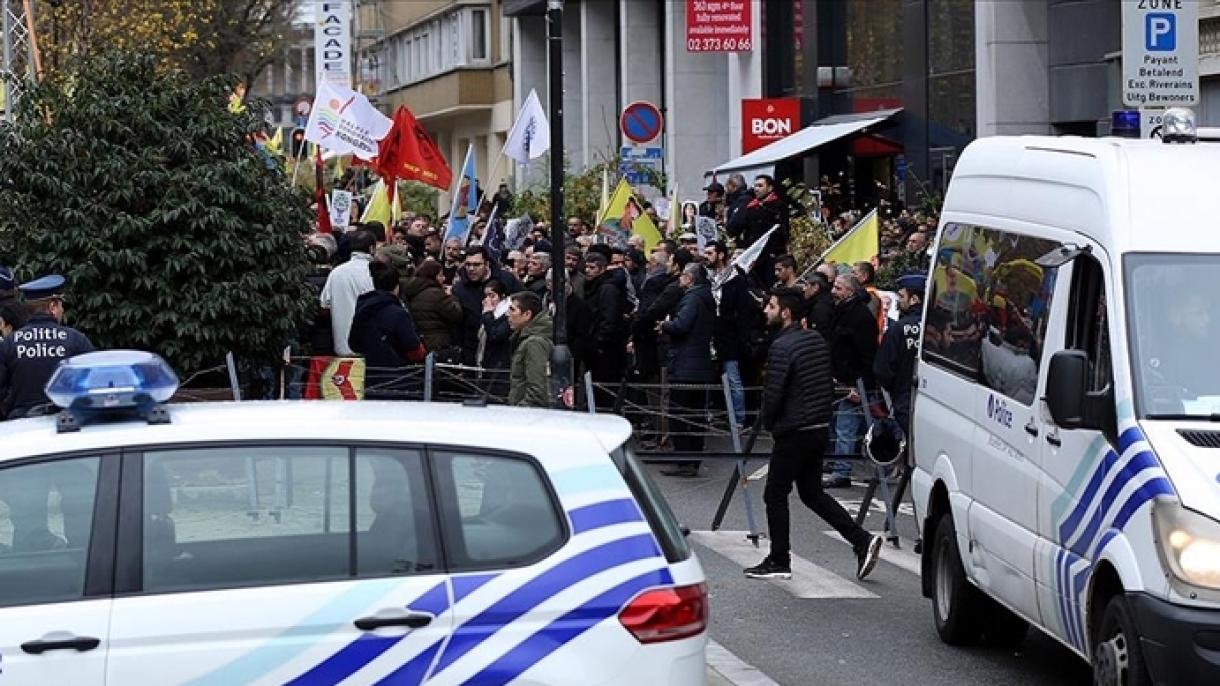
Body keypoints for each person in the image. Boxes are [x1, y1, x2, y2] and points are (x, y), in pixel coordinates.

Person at [745, 287, 883, 581]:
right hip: (818, 427)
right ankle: (861, 540)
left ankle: (779, 559)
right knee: (812, 493)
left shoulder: (782, 347)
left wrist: (769, 422)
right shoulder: (816, 340)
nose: (765, 311)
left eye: (770, 306)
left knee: (775, 494)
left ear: (786, 313)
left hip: (794, 429)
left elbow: (774, 391)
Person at [0, 275, 95, 419]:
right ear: (53, 306)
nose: (62, 310)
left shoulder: (9, 343)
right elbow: (92, 385)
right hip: (67, 424)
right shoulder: (76, 340)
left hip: (20, 428)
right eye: (61, 305)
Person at [658, 263, 716, 477]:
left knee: (680, 415)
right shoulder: (706, 297)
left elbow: (682, 325)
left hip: (685, 364)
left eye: (683, 275)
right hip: (699, 363)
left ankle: (684, 460)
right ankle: (693, 459)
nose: (679, 278)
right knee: (696, 415)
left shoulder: (692, 299)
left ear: (690, 279)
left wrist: (665, 325)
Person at [826, 273, 879, 488]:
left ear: (849, 291)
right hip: (841, 379)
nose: (833, 291)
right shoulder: (842, 312)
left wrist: (861, 384)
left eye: (838, 288)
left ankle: (842, 470)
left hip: (853, 382)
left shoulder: (860, 317)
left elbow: (867, 354)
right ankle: (838, 463)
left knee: (846, 427)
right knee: (843, 425)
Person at [348, 261, 428, 400]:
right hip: (400, 380)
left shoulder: (363, 309)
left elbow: (354, 344)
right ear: (397, 286)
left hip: (372, 378)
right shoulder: (397, 313)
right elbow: (414, 350)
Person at [451, 246, 520, 366]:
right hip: (472, 348)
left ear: (487, 264)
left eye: (477, 265)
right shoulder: (459, 289)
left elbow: (522, 303)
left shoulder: (506, 279)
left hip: (503, 347)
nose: (471, 269)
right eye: (468, 264)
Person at [874, 272, 925, 432]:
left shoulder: (898, 328)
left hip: (904, 399)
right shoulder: (938, 326)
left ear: (914, 299)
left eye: (902, 297)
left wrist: (895, 389)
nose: (899, 301)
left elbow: (882, 369)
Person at [582, 252, 630, 403]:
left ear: (602, 269)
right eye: (586, 267)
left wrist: (599, 342)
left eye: (592, 267)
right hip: (597, 347)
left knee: (605, 390)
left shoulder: (607, 289)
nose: (587, 270)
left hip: (606, 350)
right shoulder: (595, 287)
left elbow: (609, 318)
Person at [320, 229, 375, 357]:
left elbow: (324, 304)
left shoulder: (336, 273)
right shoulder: (375, 272)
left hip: (341, 347)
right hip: (370, 347)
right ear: (371, 248)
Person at [727, 174, 789, 287]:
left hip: (771, 256)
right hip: (753, 256)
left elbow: (783, 232)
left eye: (760, 186)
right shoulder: (750, 206)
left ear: (770, 188)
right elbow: (739, 228)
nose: (756, 189)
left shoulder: (778, 206)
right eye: (755, 186)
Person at [400, 260, 463, 360]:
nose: (444, 278)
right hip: (439, 346)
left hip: (420, 345)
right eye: (441, 275)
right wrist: (452, 296)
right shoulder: (437, 294)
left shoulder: (411, 291)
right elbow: (456, 314)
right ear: (433, 276)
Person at [507, 291, 554, 408]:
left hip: (526, 416)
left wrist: (519, 411)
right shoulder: (527, 339)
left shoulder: (534, 343)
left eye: (512, 310)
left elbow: (537, 390)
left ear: (527, 314)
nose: (507, 314)